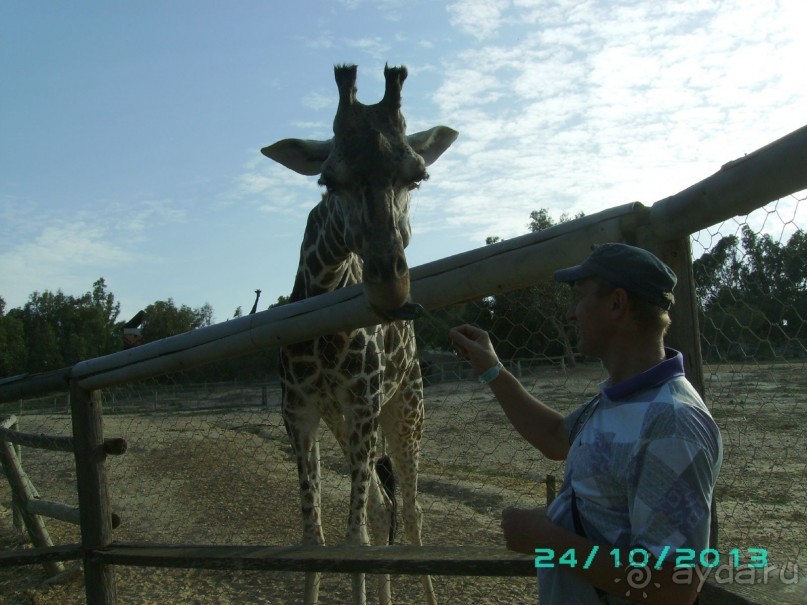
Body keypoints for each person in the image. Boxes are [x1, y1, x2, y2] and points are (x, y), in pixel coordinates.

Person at [450, 243, 722, 605]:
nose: (570, 315)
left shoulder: (671, 422)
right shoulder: (619, 399)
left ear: (616, 304)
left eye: (579, 298)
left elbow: (673, 586)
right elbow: (554, 437)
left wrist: (548, 540)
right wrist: (492, 369)